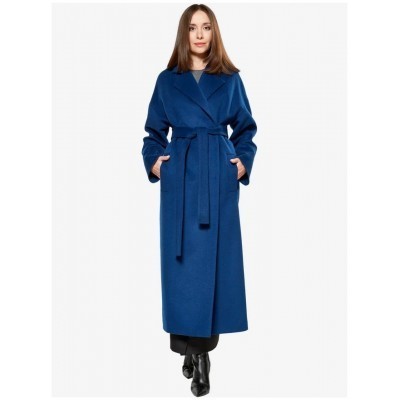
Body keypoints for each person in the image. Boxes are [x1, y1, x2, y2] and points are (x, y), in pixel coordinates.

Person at [141, 4, 257, 397]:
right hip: (181, 179)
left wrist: (241, 163)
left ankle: (201, 356)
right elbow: (153, 133)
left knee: (212, 268)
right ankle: (188, 348)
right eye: (193, 28)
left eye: (206, 27)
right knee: (181, 268)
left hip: (216, 178)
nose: (200, 35)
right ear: (184, 33)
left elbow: (246, 129)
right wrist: (156, 163)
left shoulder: (230, 79)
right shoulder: (166, 80)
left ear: (214, 32)